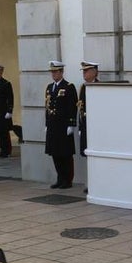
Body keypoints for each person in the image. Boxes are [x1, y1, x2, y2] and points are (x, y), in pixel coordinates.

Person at [44, 61, 77, 189]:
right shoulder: (49, 87)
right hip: (53, 125)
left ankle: (67, 180)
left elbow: (72, 107)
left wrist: (71, 124)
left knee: (65, 154)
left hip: (63, 126)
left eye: (56, 72)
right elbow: (47, 107)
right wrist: (47, 123)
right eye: (52, 72)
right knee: (55, 154)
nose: (54, 74)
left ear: (61, 72)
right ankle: (60, 178)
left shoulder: (68, 86)